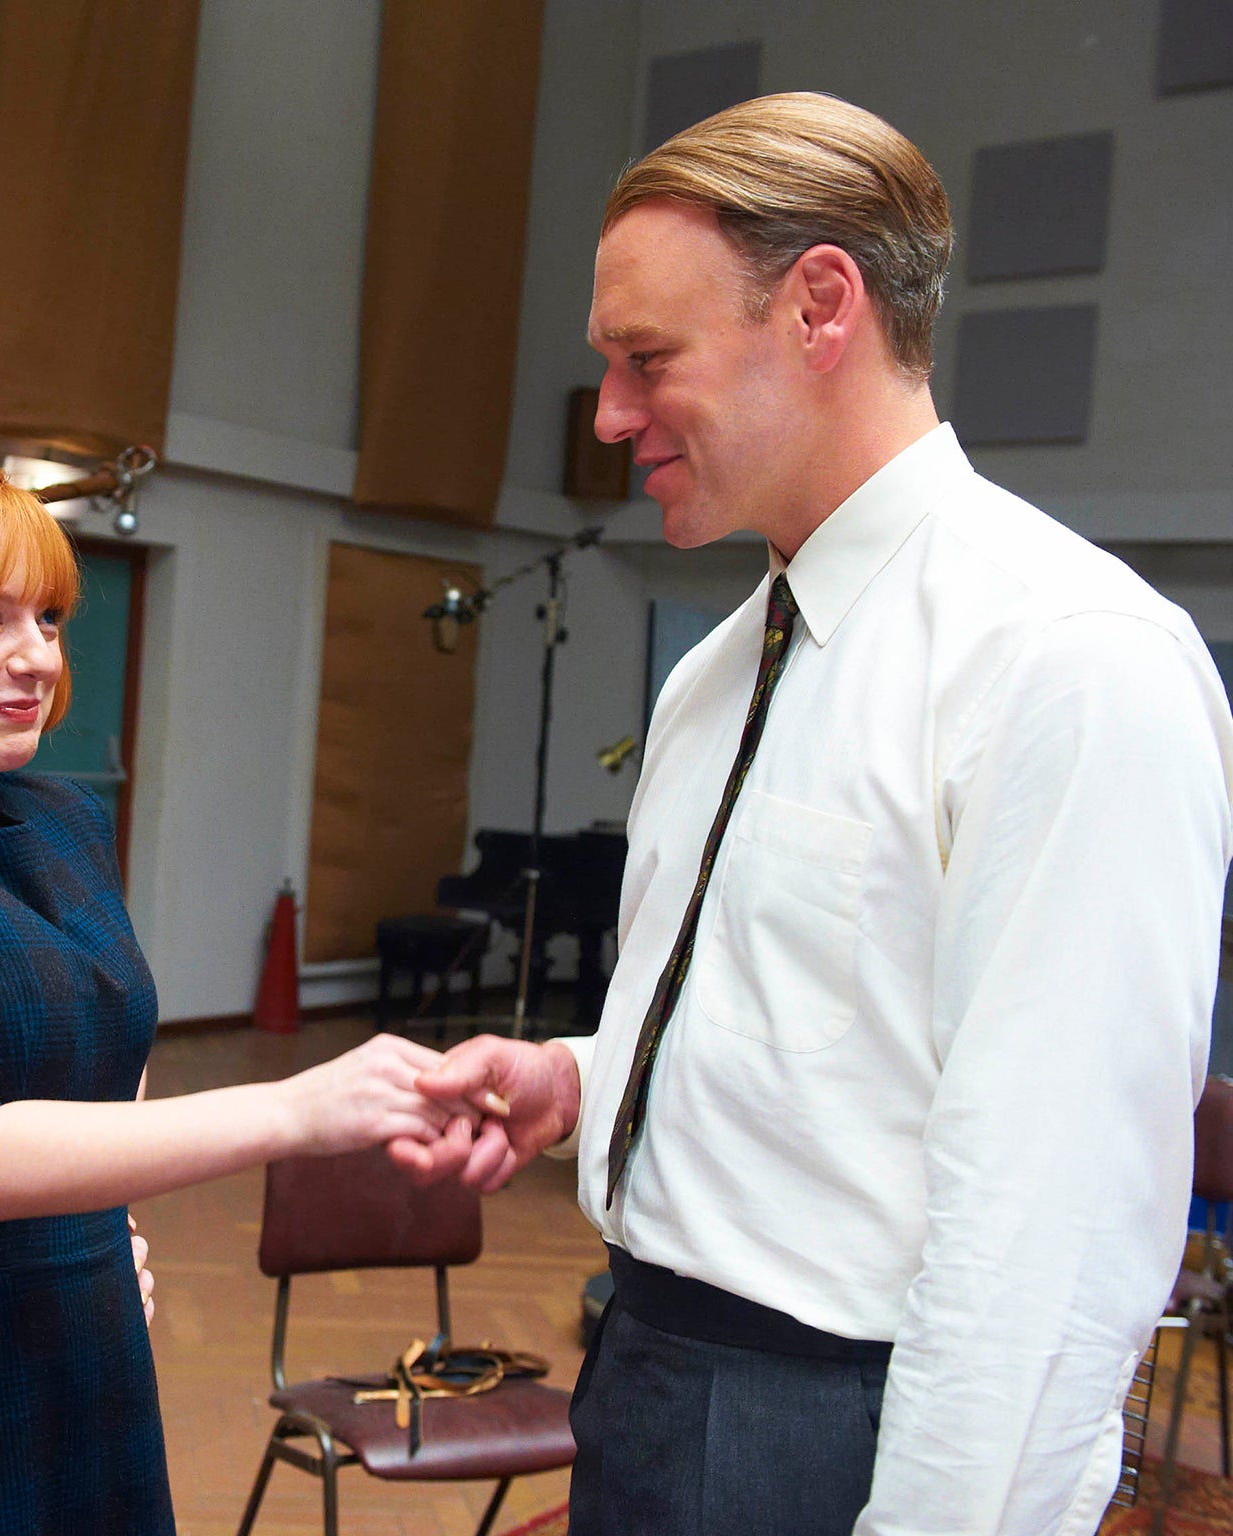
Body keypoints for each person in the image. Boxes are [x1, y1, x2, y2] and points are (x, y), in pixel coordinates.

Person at [401, 93, 1233, 1534]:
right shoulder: (719, 672)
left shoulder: (1068, 657)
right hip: (650, 1362)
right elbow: (807, 1041)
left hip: (848, 1425)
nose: (607, 418)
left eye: (643, 360)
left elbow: (1050, 1231)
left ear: (821, 306)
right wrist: (589, 1087)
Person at [0, 447, 464, 1535]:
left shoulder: (59, 820)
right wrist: (296, 1110)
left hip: (82, 1347)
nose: (36, 659)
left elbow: (108, 1059)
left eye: (49, 620)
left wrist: (95, 1239)